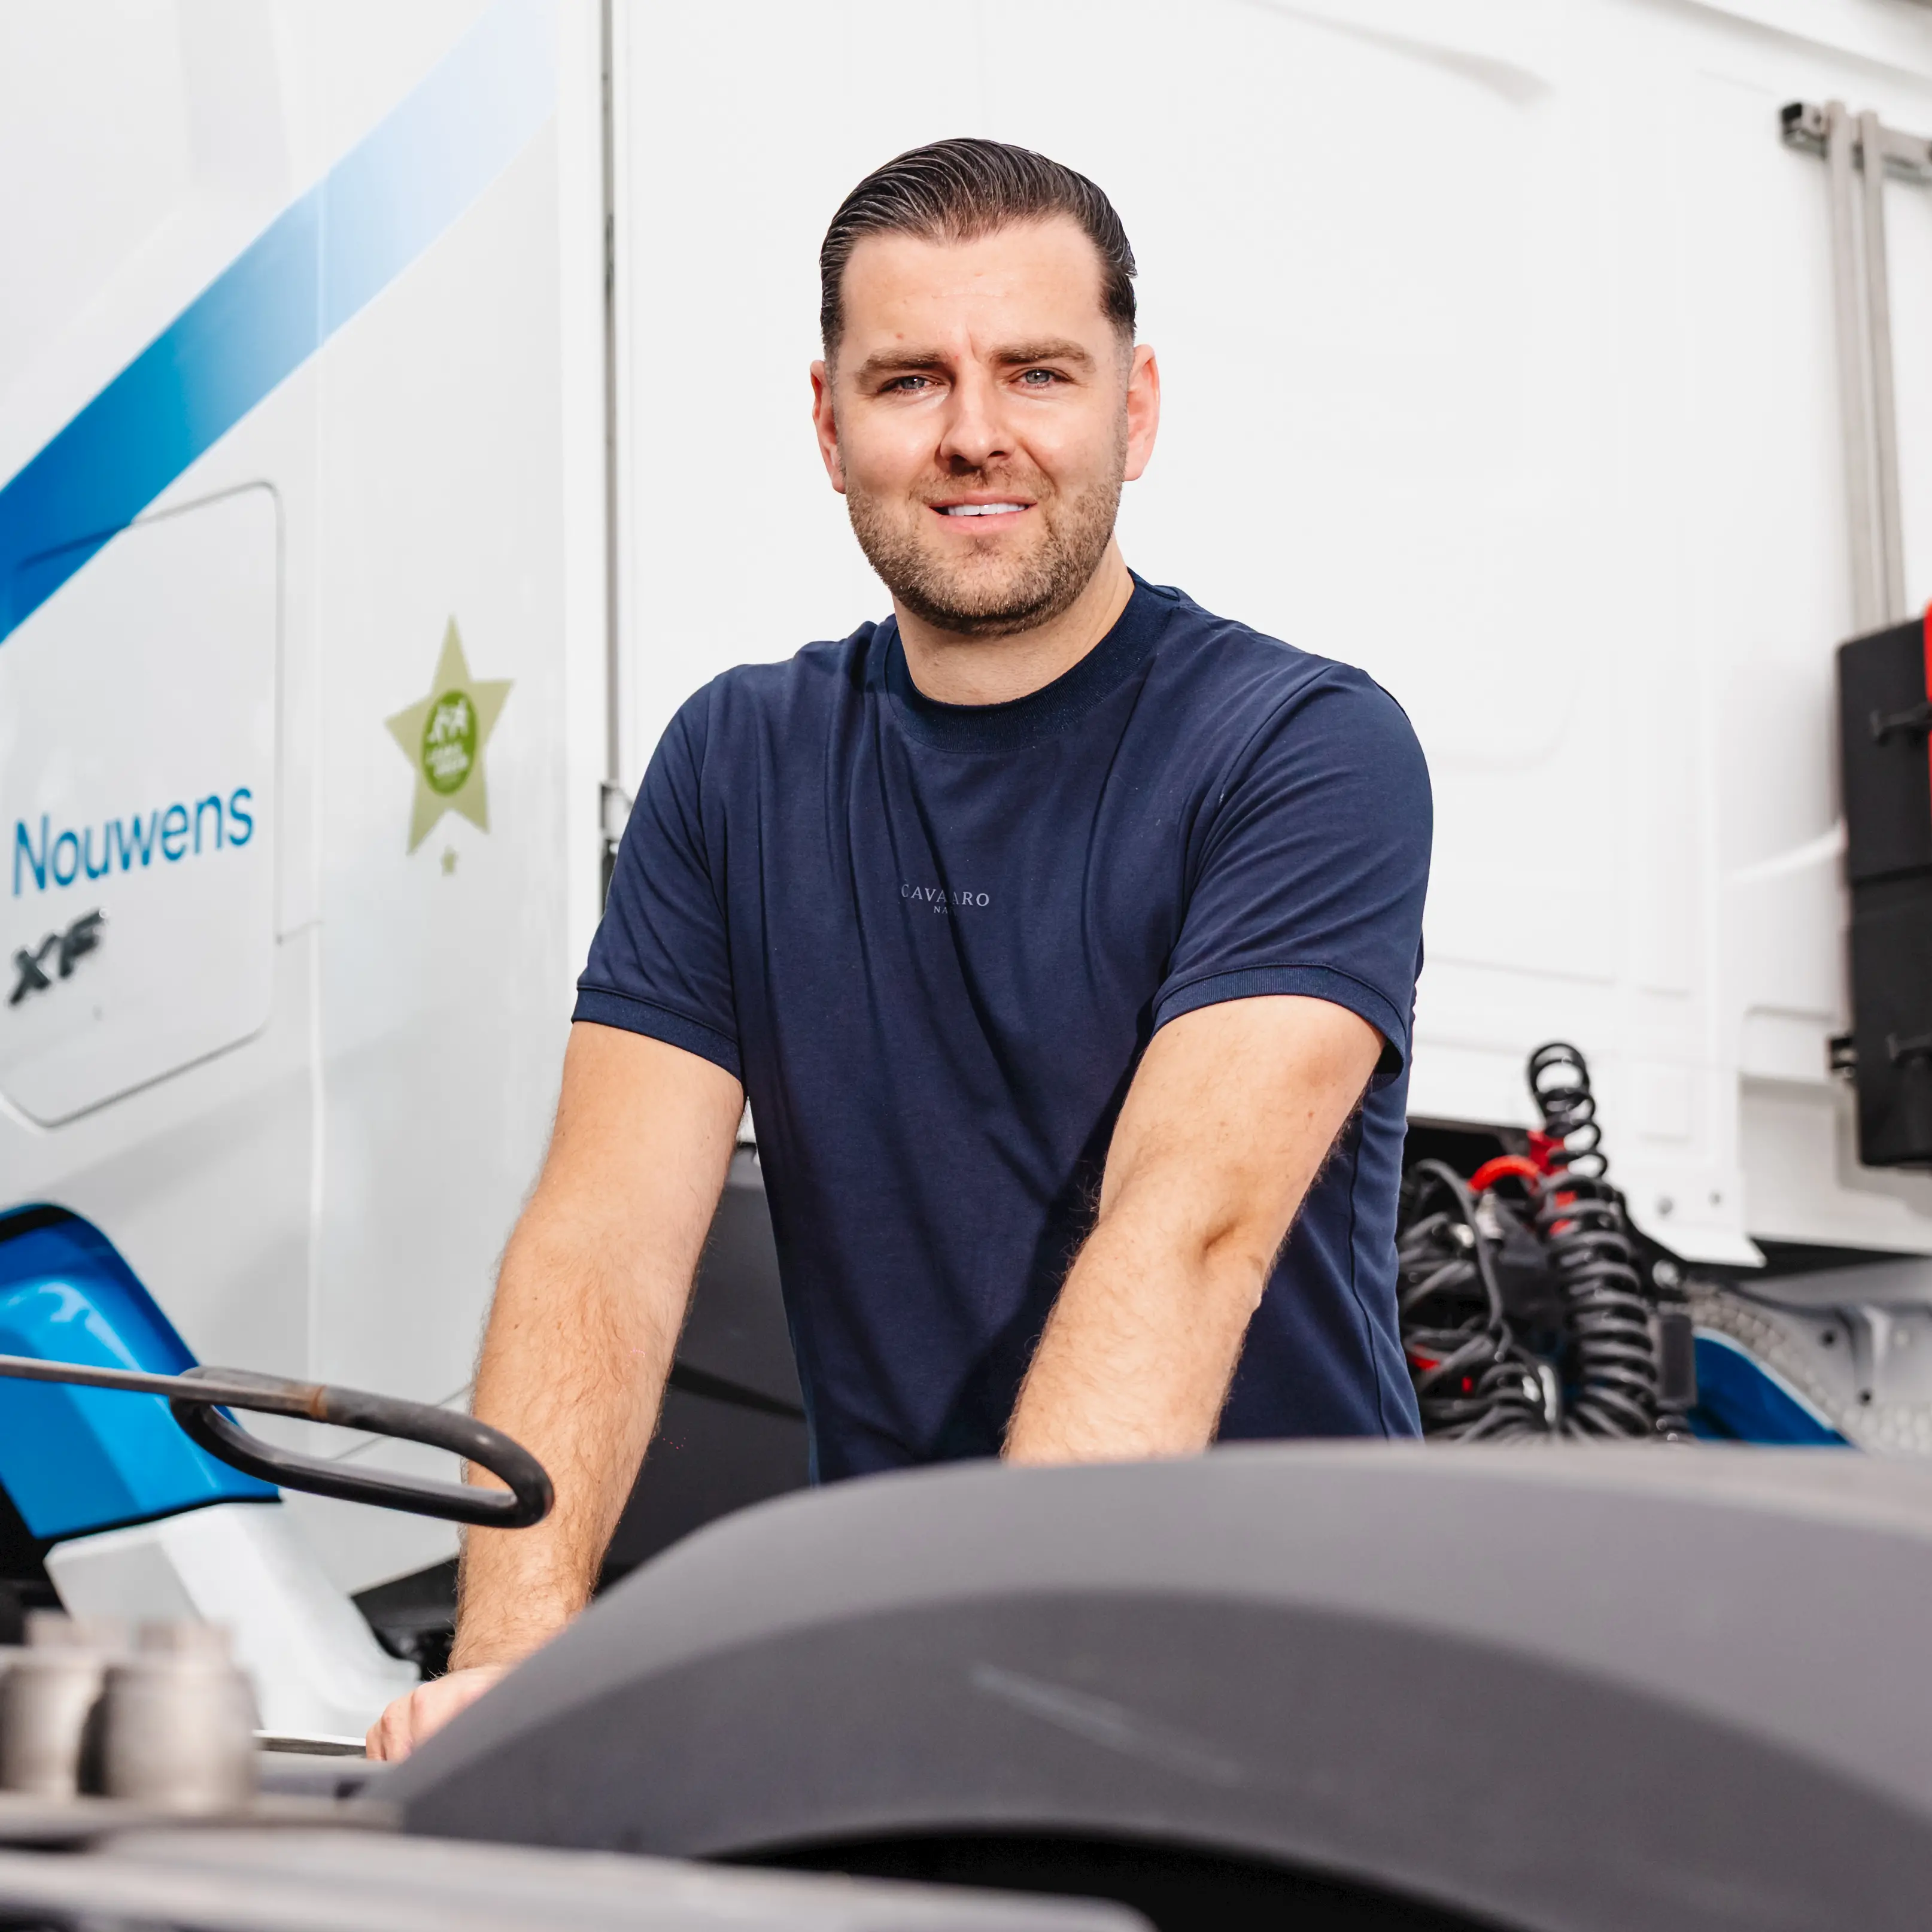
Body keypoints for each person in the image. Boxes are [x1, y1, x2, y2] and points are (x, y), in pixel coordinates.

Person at [368, 137, 1430, 1760]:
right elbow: (603, 1241)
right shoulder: (737, 764)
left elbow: (1187, 1230)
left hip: (1292, 1696)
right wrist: (512, 1672)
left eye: (1037, 372)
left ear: (1134, 408)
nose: (973, 432)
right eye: (909, 378)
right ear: (828, 422)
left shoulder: (1298, 745)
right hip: (923, 1701)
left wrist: (1001, 1667)